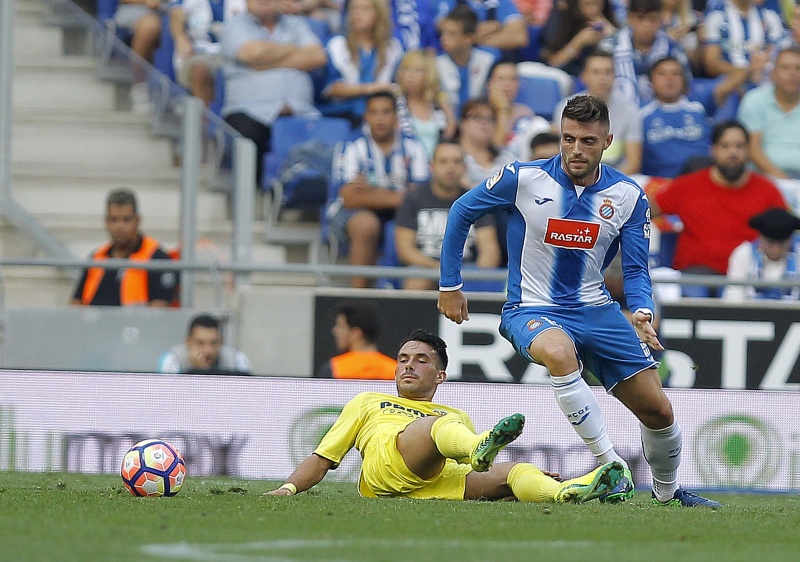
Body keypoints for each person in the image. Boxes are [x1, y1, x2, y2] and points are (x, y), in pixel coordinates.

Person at [437, 95, 723, 508]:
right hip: (531, 308)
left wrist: (642, 309)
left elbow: (637, 269)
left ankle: (667, 494)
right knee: (558, 351)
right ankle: (612, 468)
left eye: (587, 141)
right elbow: (462, 210)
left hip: (597, 310)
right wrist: (450, 284)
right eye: (568, 139)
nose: (575, 149)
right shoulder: (523, 177)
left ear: (607, 141)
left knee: (658, 411)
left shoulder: (628, 195)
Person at [270, 329, 625, 502]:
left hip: (438, 481)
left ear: (440, 376)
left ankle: (564, 492)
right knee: (437, 427)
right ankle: (479, 447)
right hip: (388, 469)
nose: (408, 365)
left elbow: (472, 475)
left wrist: (515, 484)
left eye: (421, 360)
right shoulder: (368, 401)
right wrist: (288, 489)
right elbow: (323, 458)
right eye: (404, 359)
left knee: (516, 471)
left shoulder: (452, 414)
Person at [651, 120, 787, 297]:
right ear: (713, 150)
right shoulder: (687, 185)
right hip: (695, 275)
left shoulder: (768, 191)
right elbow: (643, 211)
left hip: (750, 276)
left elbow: (785, 233)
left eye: (739, 146)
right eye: (725, 146)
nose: (733, 152)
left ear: (748, 150)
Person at [327, 92, 429, 288]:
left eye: (386, 112)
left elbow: (421, 197)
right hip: (350, 215)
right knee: (367, 224)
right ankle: (359, 297)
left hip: (400, 213)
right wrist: (402, 195)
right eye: (374, 113)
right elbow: (349, 198)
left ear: (396, 117)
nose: (380, 118)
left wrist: (370, 191)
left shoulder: (413, 146)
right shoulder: (352, 145)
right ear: (366, 116)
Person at [220, 0, 327, 185]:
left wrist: (264, 62)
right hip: (249, 111)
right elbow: (251, 53)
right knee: (246, 135)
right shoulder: (234, 25)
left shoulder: (296, 24)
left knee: (326, 144)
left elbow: (318, 56)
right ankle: (249, 202)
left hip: (300, 111)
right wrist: (296, 51)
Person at [394, 142, 501, 290]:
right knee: (416, 282)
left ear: (465, 167)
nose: (450, 167)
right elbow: (405, 250)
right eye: (443, 161)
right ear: (431, 166)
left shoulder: (476, 201)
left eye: (456, 162)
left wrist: (473, 276)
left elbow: (490, 251)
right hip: (425, 268)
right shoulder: (413, 198)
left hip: (465, 270)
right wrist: (444, 271)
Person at [71, 189, 178, 307]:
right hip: (92, 324)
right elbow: (76, 304)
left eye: (126, 220)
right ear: (106, 222)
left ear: (137, 221)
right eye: (114, 220)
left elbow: (159, 310)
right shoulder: (96, 257)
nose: (119, 226)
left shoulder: (157, 258)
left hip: (135, 324)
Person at [552, 49, 643, 173]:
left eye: (608, 72)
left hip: (615, 180)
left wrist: (607, 185)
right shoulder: (564, 108)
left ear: (615, 76)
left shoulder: (630, 110)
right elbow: (560, 156)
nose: (602, 78)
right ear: (584, 77)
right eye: (596, 72)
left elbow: (633, 162)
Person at [319, 0, 404, 125]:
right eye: (353, 9)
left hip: (382, 118)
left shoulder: (393, 48)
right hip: (342, 116)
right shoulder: (336, 45)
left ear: (378, 14)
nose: (357, 13)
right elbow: (329, 90)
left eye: (365, 9)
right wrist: (368, 89)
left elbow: (399, 86)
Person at [601, 0, 691, 106]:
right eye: (640, 18)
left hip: (661, 113)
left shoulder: (673, 48)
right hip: (617, 112)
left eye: (653, 19)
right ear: (630, 18)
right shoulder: (608, 46)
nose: (647, 25)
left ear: (660, 19)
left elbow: (686, 85)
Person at [636, 56, 712, 178]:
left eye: (675, 74)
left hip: (699, 179)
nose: (669, 79)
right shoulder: (641, 114)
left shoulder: (698, 109)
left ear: (684, 80)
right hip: (659, 183)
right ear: (651, 81)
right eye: (662, 74)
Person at [168, 0, 247, 107]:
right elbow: (176, 13)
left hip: (237, 52)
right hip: (199, 52)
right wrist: (180, 38)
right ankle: (203, 120)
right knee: (200, 70)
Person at [737, 46, 800, 180]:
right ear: (773, 74)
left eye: (798, 68)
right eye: (785, 68)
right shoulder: (754, 100)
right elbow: (752, 149)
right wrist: (786, 182)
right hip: (764, 179)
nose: (792, 74)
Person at [702, 0, 787, 86]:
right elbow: (711, 65)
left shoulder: (770, 17)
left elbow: (777, 56)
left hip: (762, 81)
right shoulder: (716, 17)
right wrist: (747, 71)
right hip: (728, 83)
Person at [723, 208, 800, 302]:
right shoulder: (744, 254)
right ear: (760, 237)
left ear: (790, 239)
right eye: (770, 244)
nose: (776, 250)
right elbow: (734, 294)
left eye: (782, 244)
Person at [394, 49, 457, 159]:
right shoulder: (395, 102)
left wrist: (447, 110)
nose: (410, 75)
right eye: (406, 69)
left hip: (436, 166)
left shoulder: (439, 105)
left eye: (417, 70)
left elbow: (450, 132)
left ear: (429, 74)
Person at [436, 5, 497, 116]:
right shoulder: (435, 64)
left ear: (468, 38)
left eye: (451, 34)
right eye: (443, 33)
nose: (443, 38)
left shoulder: (488, 61)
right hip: (446, 122)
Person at [486, 59, 551, 160]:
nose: (507, 84)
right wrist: (503, 109)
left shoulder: (524, 112)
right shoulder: (479, 114)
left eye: (513, 79)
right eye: (501, 79)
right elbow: (495, 150)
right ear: (489, 84)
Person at [315, 301, 397, 379]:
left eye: (340, 326)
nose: (335, 331)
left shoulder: (334, 368)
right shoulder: (394, 370)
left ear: (356, 333)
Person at [540, 0, 618, 76]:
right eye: (587, 4)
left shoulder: (608, 26)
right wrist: (578, 43)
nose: (594, 9)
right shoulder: (561, 20)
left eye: (598, 3)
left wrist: (612, 36)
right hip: (568, 74)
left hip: (602, 78)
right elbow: (552, 64)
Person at [158, 314, 252, 374]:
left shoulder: (236, 360)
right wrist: (196, 371)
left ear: (221, 342)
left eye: (214, 343)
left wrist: (205, 371)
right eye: (200, 343)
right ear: (188, 342)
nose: (208, 350)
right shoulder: (173, 359)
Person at [115, 0, 165, 112]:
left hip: (175, 9)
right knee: (150, 26)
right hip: (137, 8)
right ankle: (139, 85)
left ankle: (176, 95)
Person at [435, 0, 530, 52]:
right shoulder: (450, 2)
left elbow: (519, 37)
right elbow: (445, 27)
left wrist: (470, 40)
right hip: (457, 61)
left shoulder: (503, 2)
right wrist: (495, 26)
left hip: (495, 62)